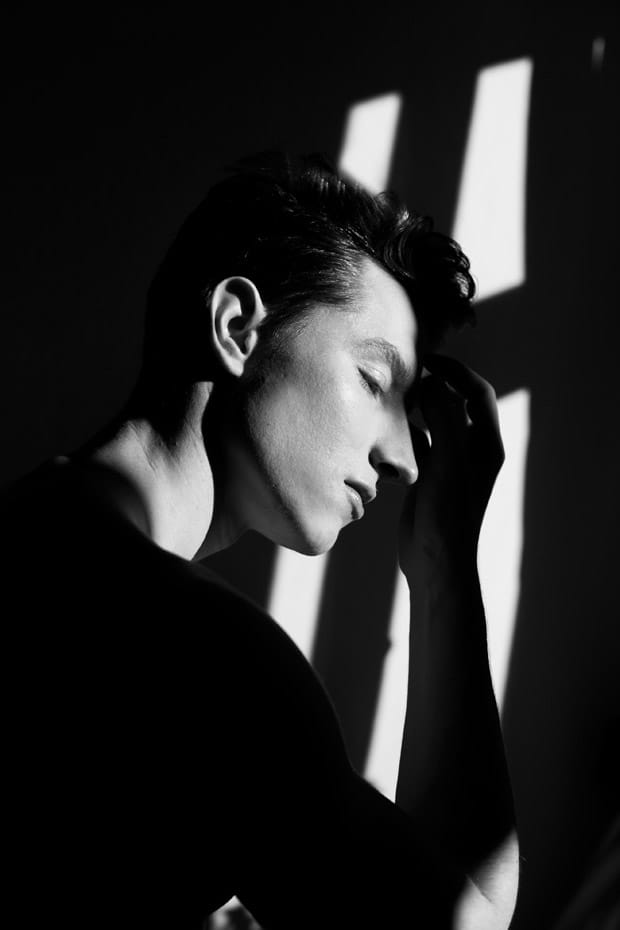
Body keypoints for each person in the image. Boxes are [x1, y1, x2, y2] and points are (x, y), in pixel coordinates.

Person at [2, 153, 519, 929]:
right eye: (374, 382)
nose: (405, 460)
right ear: (237, 327)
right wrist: (446, 562)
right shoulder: (207, 656)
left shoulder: (42, 527)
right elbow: (469, 919)